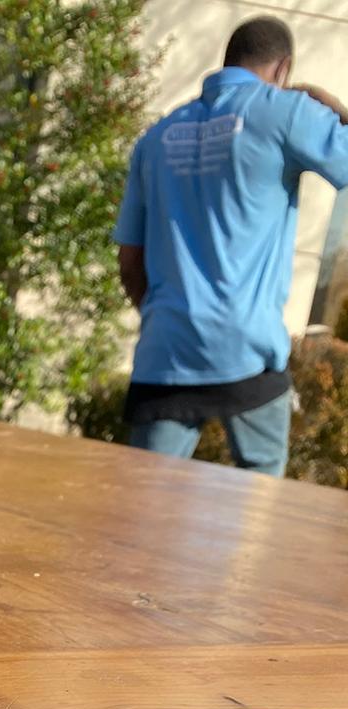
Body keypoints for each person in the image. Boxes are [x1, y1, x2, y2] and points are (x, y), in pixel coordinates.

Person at [115, 17, 348, 475]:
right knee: (260, 514)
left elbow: (129, 261)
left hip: (167, 352)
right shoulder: (285, 111)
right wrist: (337, 109)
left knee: (138, 514)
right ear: (282, 68)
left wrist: (168, 317)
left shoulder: (157, 137)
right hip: (247, 351)